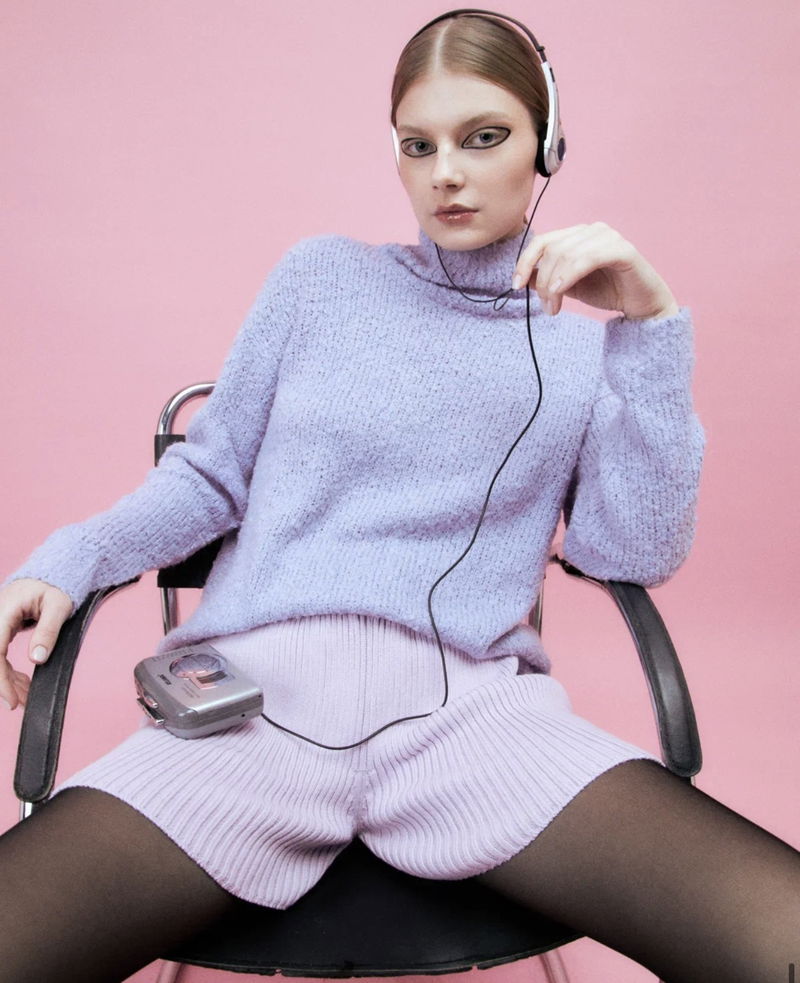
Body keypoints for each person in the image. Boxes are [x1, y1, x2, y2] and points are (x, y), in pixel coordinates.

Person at [0, 9, 797, 982]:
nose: (445, 173)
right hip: (250, 712)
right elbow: (209, 475)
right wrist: (71, 558)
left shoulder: (581, 349)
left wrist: (651, 325)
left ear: (546, 145)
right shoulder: (319, 280)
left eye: (483, 137)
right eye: (419, 145)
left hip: (472, 725)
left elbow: (629, 551)